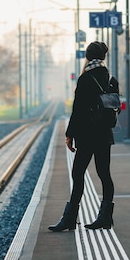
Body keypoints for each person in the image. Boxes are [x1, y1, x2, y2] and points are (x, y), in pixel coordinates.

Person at [49, 41, 117, 232]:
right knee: (104, 174)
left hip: (87, 136)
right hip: (104, 135)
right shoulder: (110, 79)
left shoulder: (85, 79)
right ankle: (105, 218)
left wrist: (69, 134)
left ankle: (69, 219)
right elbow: (114, 107)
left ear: (87, 57)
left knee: (77, 174)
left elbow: (77, 110)